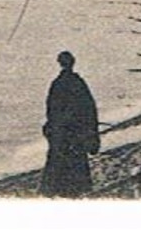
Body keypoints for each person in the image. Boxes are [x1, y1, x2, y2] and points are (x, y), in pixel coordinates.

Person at [40, 51, 101, 197]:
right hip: (74, 134)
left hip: (61, 134)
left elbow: (51, 111)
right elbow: (89, 111)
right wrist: (93, 137)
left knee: (58, 167)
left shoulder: (57, 84)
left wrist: (51, 130)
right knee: (76, 167)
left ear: (60, 63)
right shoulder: (78, 83)